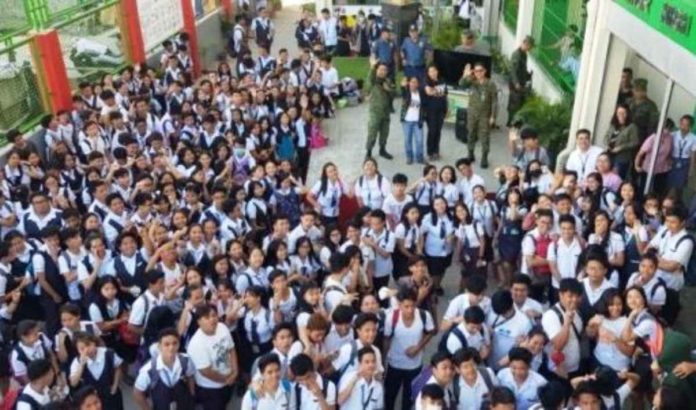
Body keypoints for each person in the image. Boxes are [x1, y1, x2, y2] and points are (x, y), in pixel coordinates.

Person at [186, 304, 238, 410]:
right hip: (210, 388)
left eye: (214, 315)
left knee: (226, 403)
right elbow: (206, 371)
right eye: (207, 317)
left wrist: (235, 371)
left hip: (228, 379)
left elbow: (231, 349)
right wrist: (226, 379)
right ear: (199, 322)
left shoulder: (222, 327)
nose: (212, 319)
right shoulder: (196, 343)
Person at [133, 328, 196, 410]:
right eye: (166, 344)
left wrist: (192, 394)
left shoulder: (185, 361)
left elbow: (190, 376)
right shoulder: (149, 370)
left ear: (179, 344)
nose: (171, 348)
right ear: (159, 346)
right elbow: (137, 392)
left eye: (174, 343)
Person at [459, 62, 497, 168]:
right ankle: (470, 154)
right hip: (472, 114)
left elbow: (494, 101)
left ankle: (484, 157)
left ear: (485, 71)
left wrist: (493, 116)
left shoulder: (490, 84)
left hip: (484, 115)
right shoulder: (471, 81)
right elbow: (461, 84)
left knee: (484, 137)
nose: (478, 73)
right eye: (476, 71)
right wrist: (465, 75)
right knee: (470, 134)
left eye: (480, 70)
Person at [365, 60, 396, 160]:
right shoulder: (373, 81)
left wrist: (389, 90)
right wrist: (372, 67)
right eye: (381, 69)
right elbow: (368, 82)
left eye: (385, 70)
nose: (383, 72)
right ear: (377, 70)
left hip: (386, 112)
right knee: (372, 132)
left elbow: (395, 94)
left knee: (385, 132)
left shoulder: (388, 81)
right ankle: (368, 152)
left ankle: (382, 150)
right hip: (375, 112)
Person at [605, 104, 639, 179]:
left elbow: (635, 142)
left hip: (622, 157)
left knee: (616, 177)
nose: (621, 115)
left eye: (624, 113)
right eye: (619, 113)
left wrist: (621, 147)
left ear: (628, 114)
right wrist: (607, 143)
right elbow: (606, 136)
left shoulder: (632, 126)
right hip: (609, 154)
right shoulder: (613, 125)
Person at [508, 36, 534, 126]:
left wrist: (528, 75)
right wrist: (516, 83)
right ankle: (511, 122)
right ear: (526, 44)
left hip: (521, 82)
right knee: (514, 102)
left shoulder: (524, 54)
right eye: (529, 47)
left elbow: (522, 69)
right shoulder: (517, 54)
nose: (530, 49)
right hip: (515, 83)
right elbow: (513, 70)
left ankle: (517, 121)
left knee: (520, 102)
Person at [423, 65, 448, 162]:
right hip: (430, 111)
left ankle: (436, 151)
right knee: (432, 131)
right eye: (431, 71)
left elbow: (445, 94)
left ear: (437, 71)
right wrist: (438, 91)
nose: (433, 73)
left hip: (441, 110)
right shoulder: (426, 81)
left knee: (438, 131)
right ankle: (430, 152)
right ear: (428, 73)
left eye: (434, 70)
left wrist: (446, 109)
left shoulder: (442, 80)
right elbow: (429, 92)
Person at [400, 76, 426, 164]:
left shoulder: (421, 94)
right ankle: (409, 157)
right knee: (408, 140)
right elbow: (403, 92)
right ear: (409, 83)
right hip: (407, 121)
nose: (413, 84)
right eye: (412, 82)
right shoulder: (406, 93)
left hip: (417, 121)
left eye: (415, 82)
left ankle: (419, 157)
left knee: (419, 141)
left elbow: (424, 106)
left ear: (418, 84)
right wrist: (402, 86)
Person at [668, 115, 696, 192]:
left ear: (691, 126)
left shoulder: (693, 138)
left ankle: (677, 201)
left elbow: (693, 155)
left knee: (680, 186)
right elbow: (668, 148)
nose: (683, 127)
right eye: (682, 124)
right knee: (669, 183)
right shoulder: (673, 135)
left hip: (685, 162)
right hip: (672, 160)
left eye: (686, 125)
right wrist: (668, 159)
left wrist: (691, 170)